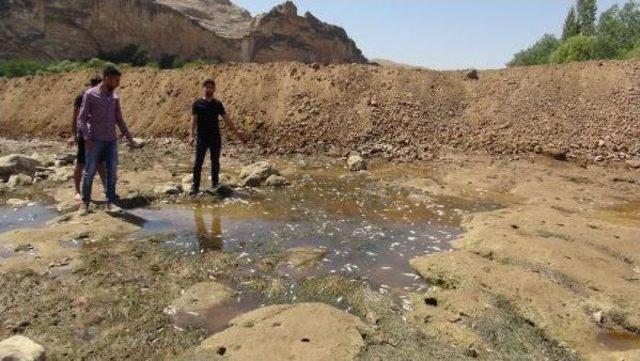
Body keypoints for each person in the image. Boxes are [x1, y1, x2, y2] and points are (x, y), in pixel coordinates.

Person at [77, 66, 137, 215]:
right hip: (95, 140)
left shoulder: (114, 97)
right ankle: (85, 203)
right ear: (107, 78)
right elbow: (81, 119)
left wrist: (129, 139)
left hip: (111, 140)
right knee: (90, 171)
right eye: (116, 80)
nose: (118, 83)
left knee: (112, 172)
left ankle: (110, 202)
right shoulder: (90, 95)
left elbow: (119, 119)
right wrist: (86, 138)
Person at [189, 79, 246, 195]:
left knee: (215, 161)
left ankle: (215, 184)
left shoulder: (217, 104)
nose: (209, 89)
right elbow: (193, 121)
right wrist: (191, 136)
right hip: (202, 137)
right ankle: (195, 187)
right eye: (207, 87)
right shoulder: (197, 103)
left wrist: (236, 131)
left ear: (214, 89)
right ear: (203, 88)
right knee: (198, 163)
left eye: (211, 87)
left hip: (215, 137)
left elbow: (226, 119)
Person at [68, 76, 106, 202]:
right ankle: (77, 191)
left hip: (98, 134)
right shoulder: (81, 97)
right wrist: (74, 135)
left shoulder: (104, 96)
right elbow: (75, 117)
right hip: (84, 135)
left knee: (100, 162)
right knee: (81, 163)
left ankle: (107, 189)